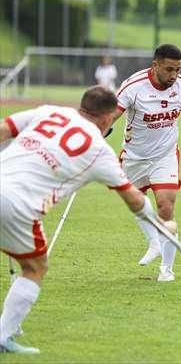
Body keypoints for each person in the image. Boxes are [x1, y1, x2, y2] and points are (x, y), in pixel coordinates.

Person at [0, 86, 167, 354]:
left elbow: (3, 129)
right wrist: (157, 224)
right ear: (108, 117)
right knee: (34, 268)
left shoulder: (49, 111)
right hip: (18, 205)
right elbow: (134, 200)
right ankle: (3, 336)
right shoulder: (100, 150)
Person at [112, 44, 181, 282]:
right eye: (169, 70)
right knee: (135, 203)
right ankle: (153, 241)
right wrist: (97, 131)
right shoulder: (133, 87)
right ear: (155, 66)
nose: (174, 75)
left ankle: (167, 270)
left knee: (166, 207)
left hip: (165, 155)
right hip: (134, 156)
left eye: (178, 69)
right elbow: (109, 116)